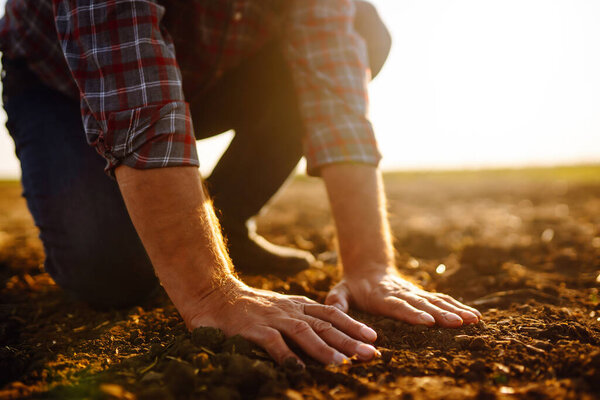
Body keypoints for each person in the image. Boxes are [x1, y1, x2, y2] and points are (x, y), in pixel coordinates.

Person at [0, 0, 481, 365]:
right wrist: (211, 293)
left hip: (213, 71)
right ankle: (201, 243)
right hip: (62, 79)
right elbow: (133, 86)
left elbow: (331, 86)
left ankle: (227, 222)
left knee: (364, 27)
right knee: (113, 275)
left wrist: (371, 265)